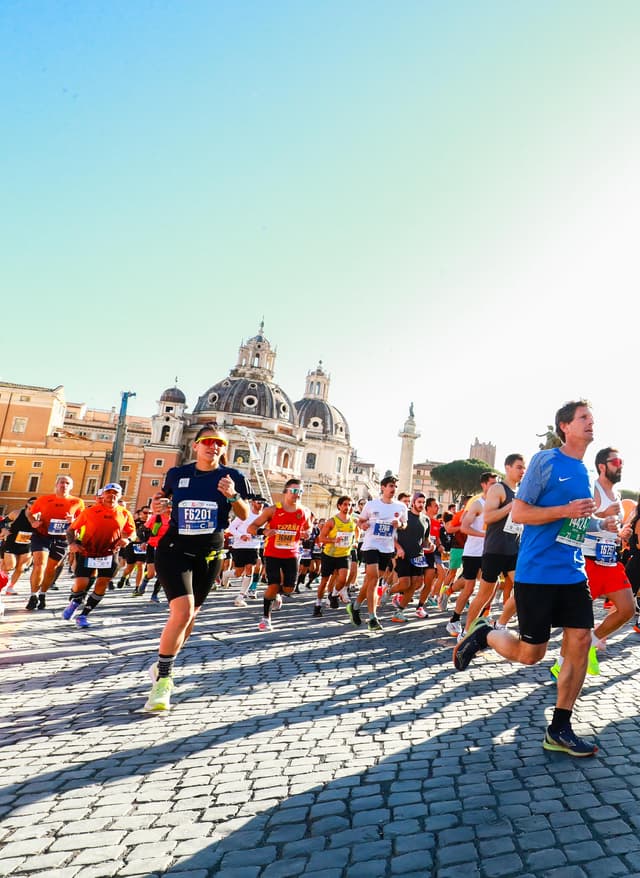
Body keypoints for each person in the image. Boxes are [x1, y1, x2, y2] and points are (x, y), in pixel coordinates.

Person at [453, 400, 610, 758]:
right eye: (583, 418)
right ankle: (485, 634)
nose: (591, 422)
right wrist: (566, 509)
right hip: (537, 572)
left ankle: (560, 727)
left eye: (592, 417)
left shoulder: (583, 471)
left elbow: (574, 522)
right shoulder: (545, 461)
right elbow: (521, 513)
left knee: (580, 641)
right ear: (564, 426)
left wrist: (602, 524)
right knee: (531, 654)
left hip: (572, 571)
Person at [144, 424, 250, 711]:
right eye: (207, 442)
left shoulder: (233, 477)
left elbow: (244, 514)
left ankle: (163, 664)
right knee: (183, 611)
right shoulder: (178, 474)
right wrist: (157, 506)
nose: (213, 447)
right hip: (174, 549)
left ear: (224, 449)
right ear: (196, 445)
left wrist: (232, 496)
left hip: (210, 555)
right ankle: (163, 681)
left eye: (219, 443)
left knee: (190, 617)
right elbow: (160, 499)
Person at [551, 447, 634, 677]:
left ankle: (592, 641)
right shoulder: (591, 488)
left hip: (610, 561)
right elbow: (575, 521)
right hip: (587, 560)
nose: (620, 465)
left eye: (621, 461)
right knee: (576, 621)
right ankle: (560, 664)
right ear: (602, 466)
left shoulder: (616, 494)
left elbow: (610, 528)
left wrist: (620, 533)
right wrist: (602, 515)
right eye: (616, 461)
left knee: (627, 609)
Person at [460, 455, 526, 637]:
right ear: (507, 467)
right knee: (484, 594)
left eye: (524, 468)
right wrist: (510, 506)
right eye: (519, 467)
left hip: (513, 549)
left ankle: (500, 623)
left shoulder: (521, 491)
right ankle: (466, 632)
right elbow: (488, 517)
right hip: (495, 550)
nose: (522, 471)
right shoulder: (498, 488)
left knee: (524, 589)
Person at [62, 484, 136, 627]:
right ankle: (75, 602)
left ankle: (83, 615)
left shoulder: (125, 513)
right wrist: (72, 544)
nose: (111, 495)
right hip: (87, 552)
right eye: (108, 492)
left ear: (120, 495)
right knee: (81, 583)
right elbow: (71, 529)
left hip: (109, 554)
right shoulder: (90, 511)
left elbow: (132, 532)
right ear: (103, 495)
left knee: (102, 584)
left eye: (115, 493)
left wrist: (127, 539)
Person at [247, 479, 312, 631]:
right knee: (273, 584)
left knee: (289, 589)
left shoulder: (305, 511)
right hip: (272, 553)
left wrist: (306, 533)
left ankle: (278, 594)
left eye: (300, 491)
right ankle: (266, 618)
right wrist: (264, 531)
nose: (297, 494)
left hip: (292, 553)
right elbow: (251, 527)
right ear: (285, 492)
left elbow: (308, 528)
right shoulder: (272, 510)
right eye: (294, 491)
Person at [347, 475, 407, 633]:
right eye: (390, 486)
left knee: (370, 581)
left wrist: (400, 524)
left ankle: (355, 606)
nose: (393, 489)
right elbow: (360, 521)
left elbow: (404, 524)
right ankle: (372, 618)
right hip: (371, 546)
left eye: (395, 486)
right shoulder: (371, 504)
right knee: (373, 579)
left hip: (387, 548)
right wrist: (363, 525)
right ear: (383, 487)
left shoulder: (400, 506)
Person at [445, 472, 497, 637]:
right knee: (469, 588)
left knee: (490, 586)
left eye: (497, 484)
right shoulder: (477, 504)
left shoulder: (497, 504)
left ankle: (480, 619)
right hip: (472, 553)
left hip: (489, 553)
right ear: (484, 485)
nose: (495, 487)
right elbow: (464, 527)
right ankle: (454, 620)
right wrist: (484, 535)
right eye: (492, 484)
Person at [25, 476, 85, 610]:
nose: (64, 485)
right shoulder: (44, 499)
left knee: (51, 569)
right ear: (56, 485)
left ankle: (42, 594)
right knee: (39, 564)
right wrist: (33, 522)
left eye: (67, 483)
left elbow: (82, 520)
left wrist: (73, 520)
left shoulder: (78, 502)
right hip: (42, 536)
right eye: (62, 482)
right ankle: (33, 595)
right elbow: (30, 513)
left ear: (71, 486)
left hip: (62, 539)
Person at [314, 497, 357, 616]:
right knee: (324, 582)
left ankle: (333, 595)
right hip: (329, 555)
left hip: (344, 555)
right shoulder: (332, 521)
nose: (347, 507)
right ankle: (318, 605)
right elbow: (321, 538)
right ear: (339, 506)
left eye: (350, 505)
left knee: (343, 579)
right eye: (345, 504)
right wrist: (334, 540)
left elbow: (355, 534)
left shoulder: (353, 521)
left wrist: (354, 542)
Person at [228, 496, 266, 607]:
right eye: (259, 502)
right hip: (240, 546)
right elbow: (231, 528)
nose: (261, 504)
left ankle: (240, 597)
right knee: (238, 573)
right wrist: (241, 536)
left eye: (263, 502)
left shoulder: (264, 516)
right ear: (253, 502)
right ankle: (225, 575)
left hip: (254, 547)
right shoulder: (245, 514)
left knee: (250, 568)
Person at [0, 497, 37, 594]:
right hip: (11, 543)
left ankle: (10, 588)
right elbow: (3, 522)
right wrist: (4, 530)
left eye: (36, 503)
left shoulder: (39, 516)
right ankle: (1, 581)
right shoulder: (16, 513)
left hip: (27, 544)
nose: (33, 505)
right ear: (27, 503)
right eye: (31, 502)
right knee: (10, 565)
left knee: (21, 568)